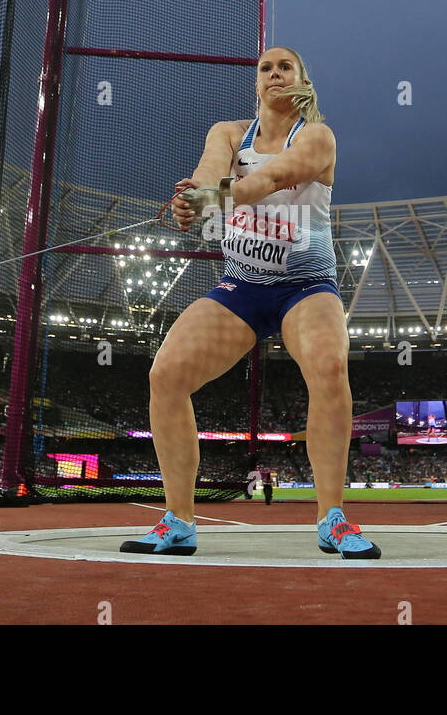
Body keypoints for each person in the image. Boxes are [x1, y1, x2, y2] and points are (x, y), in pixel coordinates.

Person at [120, 46, 380, 559]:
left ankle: (333, 519)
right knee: (165, 376)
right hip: (242, 288)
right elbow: (210, 174)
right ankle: (178, 522)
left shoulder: (317, 137)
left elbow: (270, 179)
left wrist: (213, 198)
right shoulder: (227, 133)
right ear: (256, 84)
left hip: (305, 288)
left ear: (302, 81)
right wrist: (190, 200)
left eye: (286, 67)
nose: (275, 73)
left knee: (329, 367)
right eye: (266, 68)